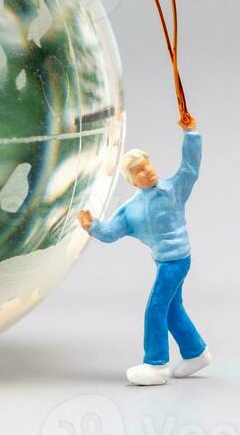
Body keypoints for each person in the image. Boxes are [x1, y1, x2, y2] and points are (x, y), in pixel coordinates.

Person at [78, 117, 211, 386]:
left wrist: (190, 132)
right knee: (172, 309)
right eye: (139, 170)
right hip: (163, 261)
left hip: (177, 260)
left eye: (147, 165)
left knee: (155, 309)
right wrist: (92, 226)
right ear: (131, 180)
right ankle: (196, 352)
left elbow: (190, 166)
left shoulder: (173, 190)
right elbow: (112, 231)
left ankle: (156, 363)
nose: (147, 171)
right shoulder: (131, 210)